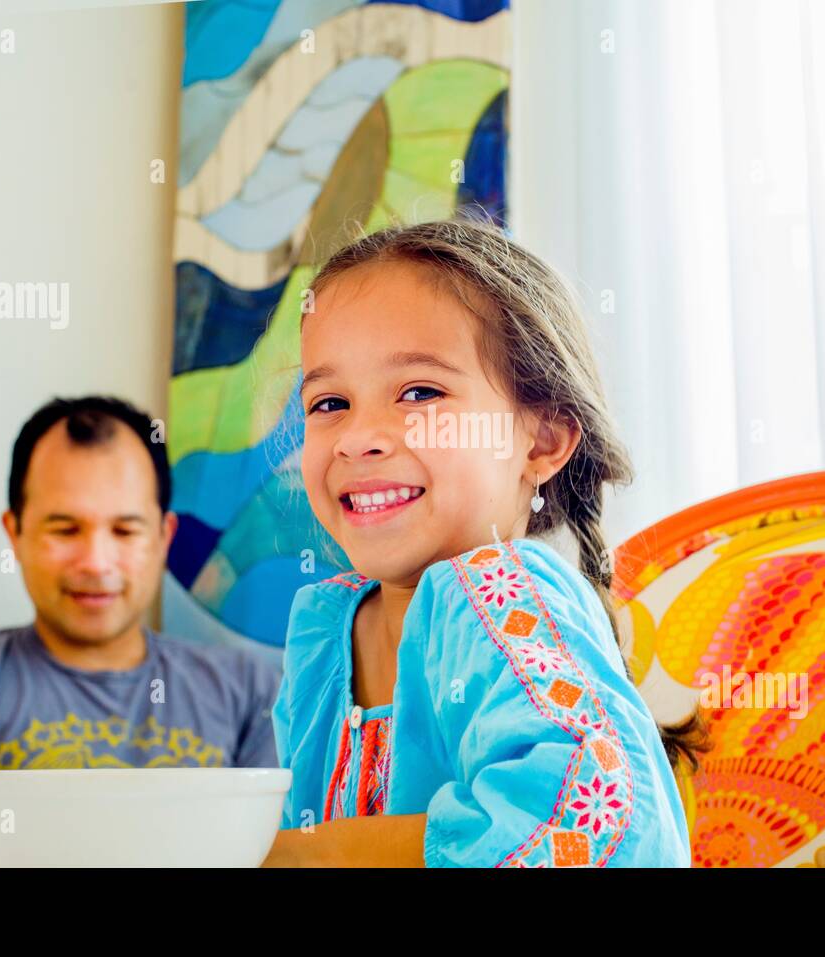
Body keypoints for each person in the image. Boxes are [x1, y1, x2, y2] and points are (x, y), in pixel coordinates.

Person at [264, 216, 709, 867]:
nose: (358, 436)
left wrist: (307, 855)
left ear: (542, 440)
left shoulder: (505, 589)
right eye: (329, 403)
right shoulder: (323, 630)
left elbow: (598, 829)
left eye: (419, 392)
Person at [0, 396, 279, 770]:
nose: (96, 564)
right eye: (64, 530)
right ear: (16, 534)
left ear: (162, 538)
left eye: (124, 531)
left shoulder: (251, 694)